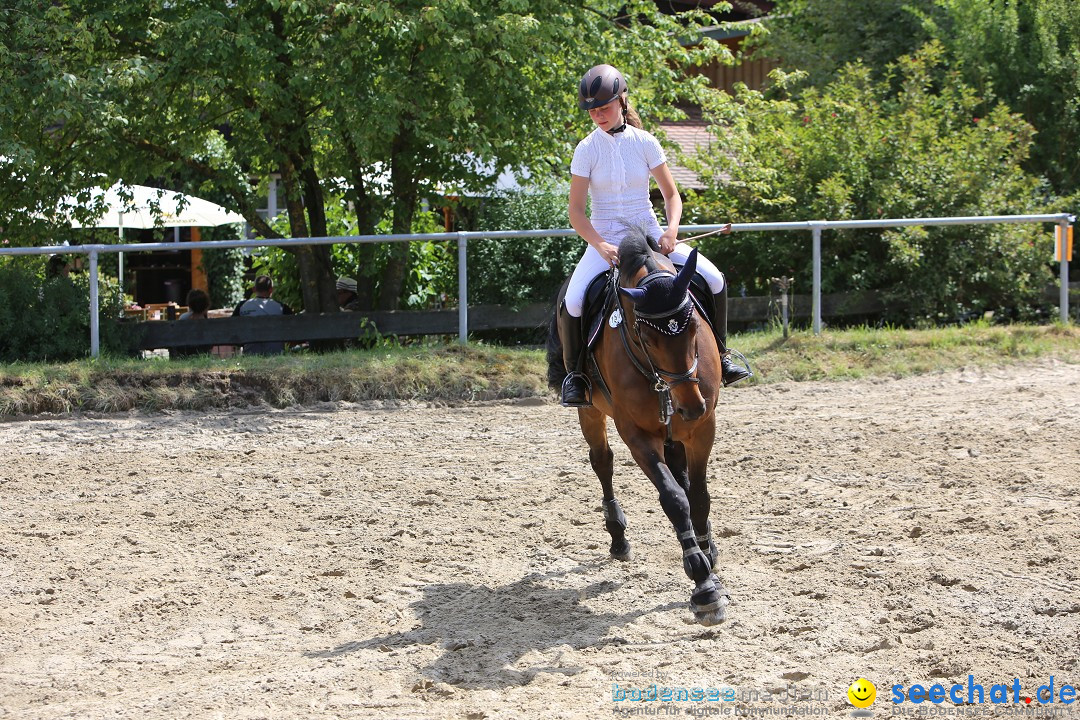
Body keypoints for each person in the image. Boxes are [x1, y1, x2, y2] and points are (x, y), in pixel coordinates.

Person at [558, 63, 752, 407]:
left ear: (622, 100)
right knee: (573, 300)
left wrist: (671, 230)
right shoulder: (585, 149)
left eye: (604, 107)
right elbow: (576, 211)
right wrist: (600, 244)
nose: (598, 115)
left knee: (716, 279)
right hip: (606, 240)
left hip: (649, 234)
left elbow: (672, 195)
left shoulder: (646, 142)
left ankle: (721, 355)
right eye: (592, 110)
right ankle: (576, 376)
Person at [232, 274, 293, 355]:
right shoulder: (281, 307)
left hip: (250, 353)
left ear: (254, 289)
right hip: (276, 353)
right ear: (271, 290)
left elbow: (232, 330)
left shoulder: (242, 306)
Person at [170, 288, 212, 359]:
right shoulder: (208, 323)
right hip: (203, 354)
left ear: (190, 305)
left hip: (185, 354)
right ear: (206, 305)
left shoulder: (183, 318)